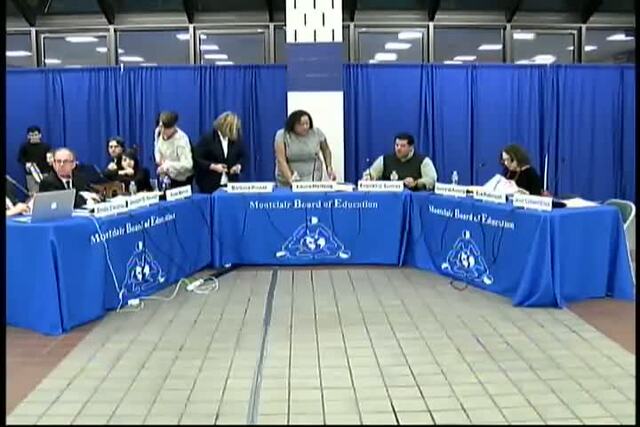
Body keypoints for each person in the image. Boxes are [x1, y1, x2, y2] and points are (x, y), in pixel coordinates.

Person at [274, 110, 336, 186]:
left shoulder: (317, 133)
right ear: (293, 125)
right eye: (301, 124)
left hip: (312, 176)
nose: (305, 127)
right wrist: (291, 179)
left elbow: (326, 150)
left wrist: (329, 167)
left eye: (307, 123)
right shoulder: (282, 135)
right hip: (288, 177)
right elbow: (281, 160)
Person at [362, 132, 437, 191]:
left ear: (411, 147)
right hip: (388, 198)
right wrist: (367, 178)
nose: (398, 148)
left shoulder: (423, 161)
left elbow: (431, 180)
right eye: (397, 145)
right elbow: (370, 174)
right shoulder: (384, 159)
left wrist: (416, 183)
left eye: (402, 146)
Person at [193, 111, 245, 193]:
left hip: (231, 184)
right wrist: (213, 166)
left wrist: (238, 166)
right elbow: (196, 158)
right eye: (232, 129)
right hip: (210, 184)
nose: (234, 132)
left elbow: (243, 156)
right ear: (225, 127)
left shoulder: (235, 139)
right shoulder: (208, 139)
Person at [154, 111, 194, 189]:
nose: (162, 130)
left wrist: (168, 165)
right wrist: (159, 160)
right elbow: (157, 147)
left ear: (173, 127)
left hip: (181, 179)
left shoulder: (181, 140)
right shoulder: (158, 132)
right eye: (161, 126)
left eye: (166, 128)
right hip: (167, 176)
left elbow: (188, 164)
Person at [17, 126, 52, 193]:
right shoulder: (24, 147)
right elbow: (20, 158)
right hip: (31, 175)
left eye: (36, 135)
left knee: (46, 192)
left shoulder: (46, 146)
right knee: (33, 193)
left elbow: (50, 159)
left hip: (45, 173)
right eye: (31, 135)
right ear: (28, 136)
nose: (34, 137)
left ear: (40, 135)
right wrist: (26, 163)